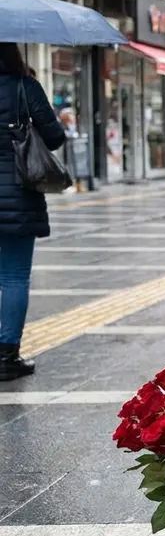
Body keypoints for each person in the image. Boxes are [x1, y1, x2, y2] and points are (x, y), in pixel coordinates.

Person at [0, 43, 66, 380]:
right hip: (18, 195)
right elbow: (54, 137)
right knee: (13, 276)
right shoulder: (25, 86)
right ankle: (6, 355)